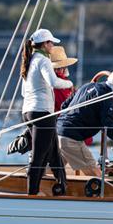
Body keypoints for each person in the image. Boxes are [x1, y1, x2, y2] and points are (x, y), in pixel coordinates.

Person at [21, 29, 73, 195]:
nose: (53, 45)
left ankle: (62, 186)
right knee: (39, 157)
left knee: (53, 151)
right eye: (51, 42)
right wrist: (69, 84)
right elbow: (53, 82)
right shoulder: (43, 60)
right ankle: (32, 195)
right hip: (42, 113)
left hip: (28, 112)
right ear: (44, 44)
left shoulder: (30, 61)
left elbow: (24, 92)